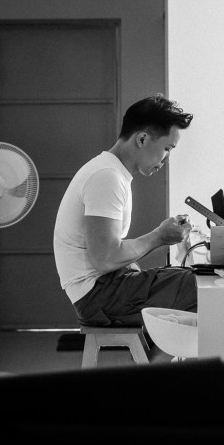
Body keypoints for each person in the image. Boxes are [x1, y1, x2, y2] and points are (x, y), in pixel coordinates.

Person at [53, 94, 196, 327]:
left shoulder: (111, 172)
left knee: (193, 282)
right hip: (98, 296)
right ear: (141, 139)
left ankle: (156, 360)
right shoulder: (106, 177)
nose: (167, 159)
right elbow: (106, 258)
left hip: (105, 289)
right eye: (167, 148)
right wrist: (160, 236)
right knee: (199, 288)